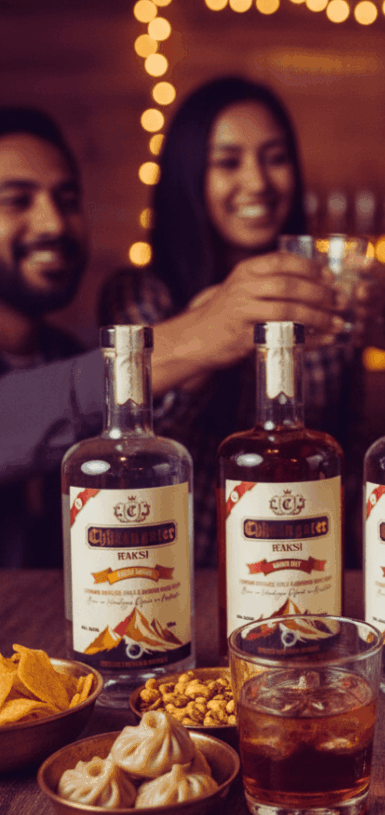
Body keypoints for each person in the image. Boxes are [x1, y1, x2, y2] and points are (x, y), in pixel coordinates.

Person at [98, 76, 365, 567]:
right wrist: (208, 327)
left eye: (275, 158)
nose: (258, 182)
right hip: (176, 572)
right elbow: (135, 440)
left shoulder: (324, 298)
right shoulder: (140, 296)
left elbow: (349, 454)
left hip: (299, 564)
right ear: (188, 175)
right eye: (228, 162)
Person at [0, 107, 94, 565]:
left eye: (67, 199)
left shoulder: (69, 354)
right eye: (17, 200)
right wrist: (186, 344)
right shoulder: (93, 377)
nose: (54, 224)